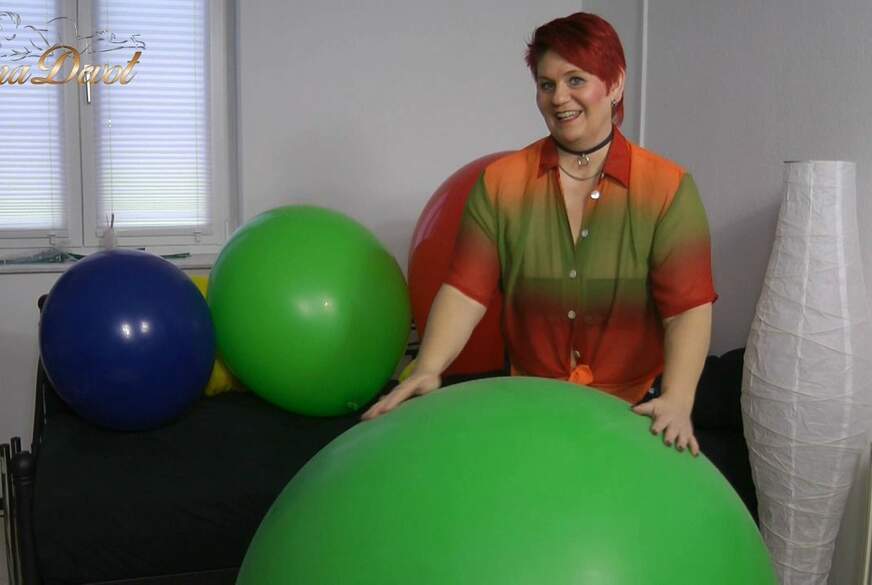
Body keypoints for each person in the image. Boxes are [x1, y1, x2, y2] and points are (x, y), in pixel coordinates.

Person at [363, 12, 716, 456]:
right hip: (529, 404)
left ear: (615, 84)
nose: (559, 98)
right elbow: (465, 291)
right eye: (546, 85)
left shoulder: (669, 188)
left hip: (633, 412)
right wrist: (427, 366)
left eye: (575, 80)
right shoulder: (500, 182)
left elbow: (687, 310)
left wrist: (678, 401)